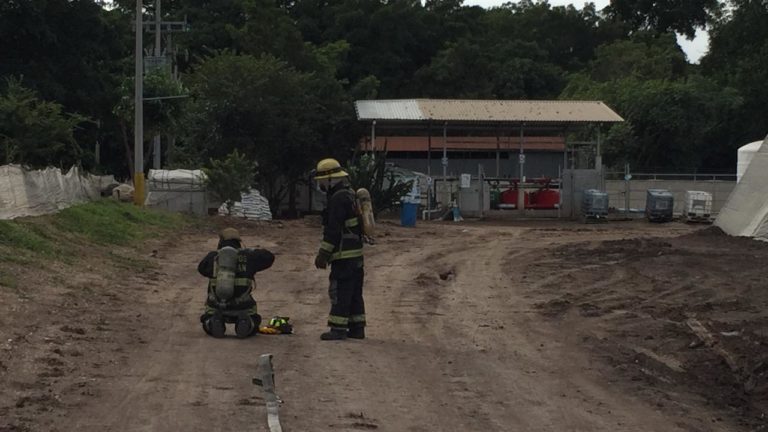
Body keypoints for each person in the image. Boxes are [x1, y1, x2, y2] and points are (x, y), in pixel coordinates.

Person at [313, 158, 366, 341]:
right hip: (356, 255)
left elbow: (333, 231)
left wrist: (323, 255)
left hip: (343, 255)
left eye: (321, 180)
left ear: (330, 179)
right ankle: (357, 328)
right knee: (354, 293)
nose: (319, 185)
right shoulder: (350, 194)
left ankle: (338, 329)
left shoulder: (337, 199)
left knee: (340, 291)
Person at [198, 227, 275, 338]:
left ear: (221, 241)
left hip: (217, 305)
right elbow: (269, 257)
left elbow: (201, 269)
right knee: (254, 319)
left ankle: (212, 321)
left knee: (207, 317)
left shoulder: (213, 257)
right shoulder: (249, 257)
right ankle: (246, 322)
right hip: (243, 305)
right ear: (238, 242)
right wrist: (250, 252)